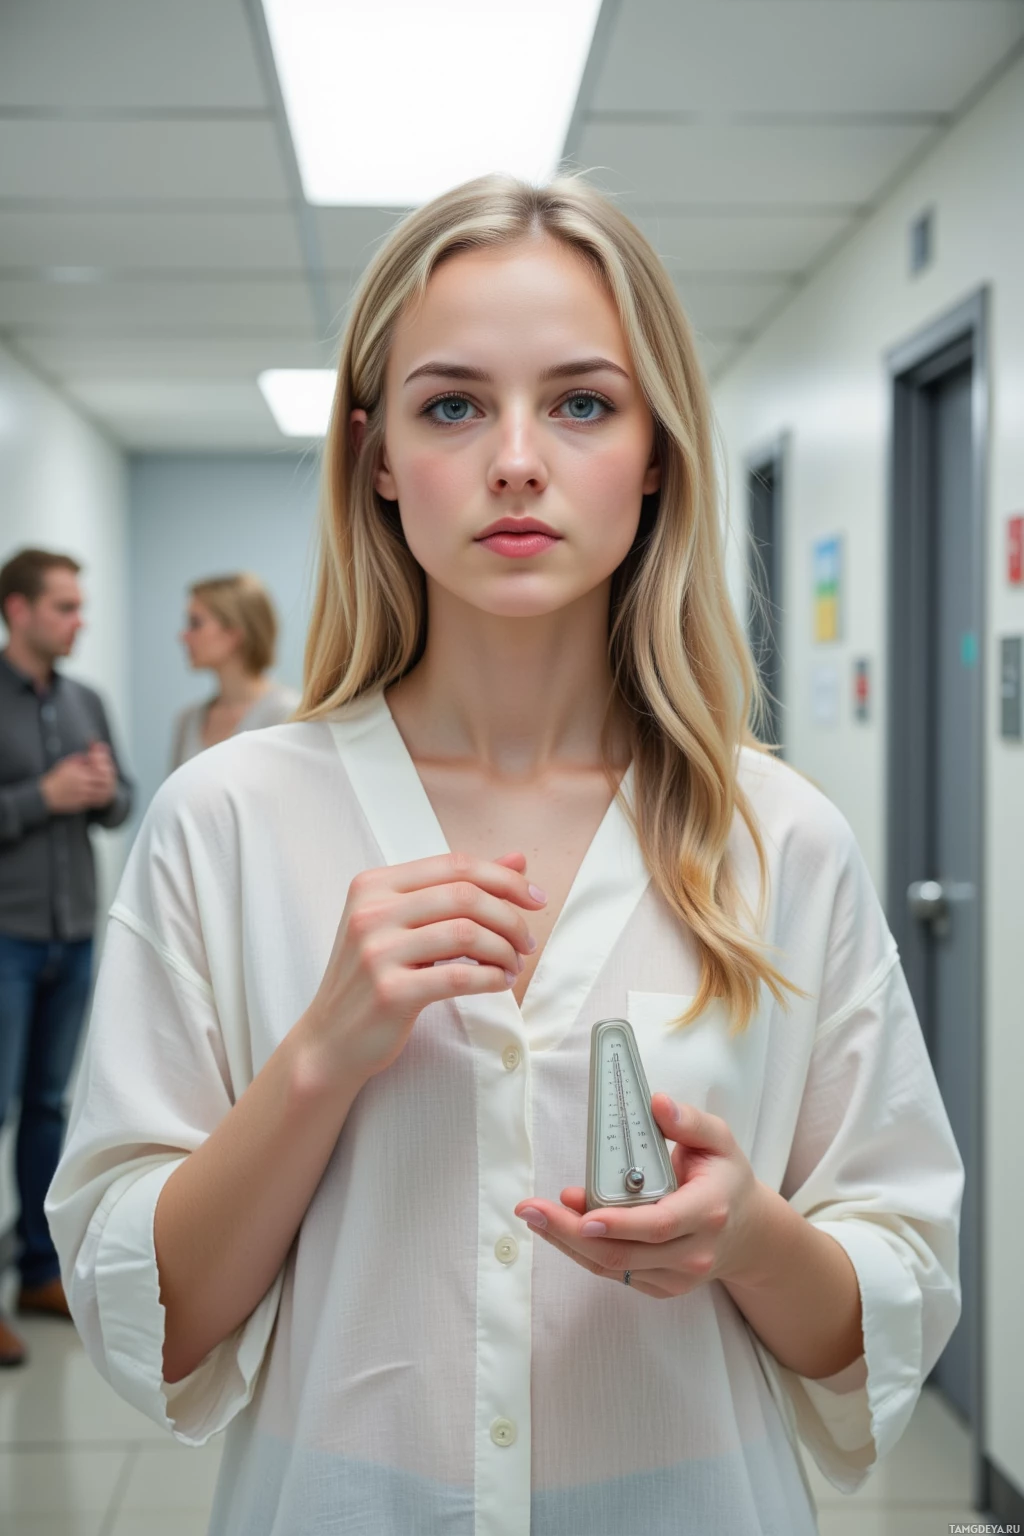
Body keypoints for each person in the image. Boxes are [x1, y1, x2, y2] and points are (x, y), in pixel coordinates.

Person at [47, 177, 962, 1535]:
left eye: (583, 403)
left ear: (657, 452)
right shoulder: (227, 818)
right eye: (454, 404)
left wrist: (747, 1235)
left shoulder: (780, 838)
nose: (517, 459)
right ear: (373, 452)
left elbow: (885, 1311)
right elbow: (155, 1327)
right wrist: (321, 1057)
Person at [0, 547, 132, 1369]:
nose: (78, 620)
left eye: (80, 606)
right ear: (17, 610)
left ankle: (39, 1272)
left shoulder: (88, 700)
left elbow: (121, 802)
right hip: (5, 935)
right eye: (63, 607)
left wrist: (100, 790)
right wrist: (39, 799)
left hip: (73, 931)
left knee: (49, 1107)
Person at [169, 573, 298, 770]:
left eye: (195, 624)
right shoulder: (188, 721)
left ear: (235, 632)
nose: (183, 636)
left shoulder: (289, 714)